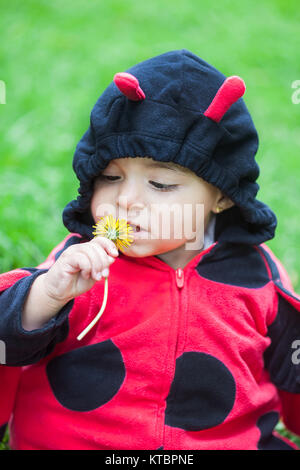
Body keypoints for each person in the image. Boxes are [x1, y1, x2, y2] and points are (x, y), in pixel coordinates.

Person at [1, 49, 300, 450]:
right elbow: (7, 339)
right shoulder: (78, 266)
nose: (126, 199)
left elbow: (291, 368)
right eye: (109, 177)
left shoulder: (258, 277)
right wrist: (46, 296)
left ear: (223, 197)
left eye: (160, 185)